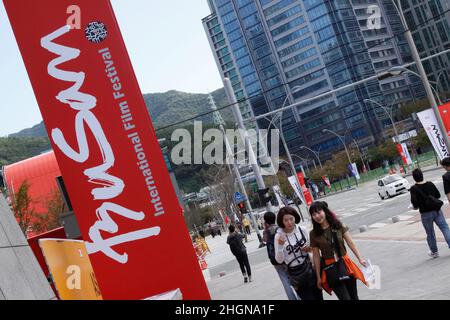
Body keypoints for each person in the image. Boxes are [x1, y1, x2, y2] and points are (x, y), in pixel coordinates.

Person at [309, 201, 367, 300]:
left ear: (325, 211)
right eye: (314, 214)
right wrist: (318, 276)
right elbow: (316, 256)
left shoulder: (338, 225)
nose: (317, 216)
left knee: (354, 297)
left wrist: (360, 259)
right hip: (330, 269)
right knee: (345, 298)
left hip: (346, 264)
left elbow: (350, 242)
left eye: (319, 212)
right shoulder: (314, 233)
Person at [275, 207, 323, 300]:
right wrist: (280, 246)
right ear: (282, 221)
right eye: (286, 220)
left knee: (319, 298)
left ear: (295, 218)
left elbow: (313, 249)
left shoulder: (302, 229)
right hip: (295, 275)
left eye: (291, 219)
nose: (289, 222)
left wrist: (308, 248)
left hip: (310, 270)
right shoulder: (279, 236)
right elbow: (279, 260)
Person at [410, 168, 450, 258]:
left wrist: (414, 206)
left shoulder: (413, 189)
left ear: (414, 178)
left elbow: (415, 204)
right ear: (422, 175)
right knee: (444, 227)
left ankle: (434, 251)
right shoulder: (430, 184)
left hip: (425, 213)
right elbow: (438, 195)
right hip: (437, 210)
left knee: (430, 232)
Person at [263, 211, 298, 300]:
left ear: (266, 221)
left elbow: (264, 241)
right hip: (284, 255)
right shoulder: (280, 229)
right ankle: (299, 296)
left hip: (275, 259)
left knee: (284, 280)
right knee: (293, 278)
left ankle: (292, 298)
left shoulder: (266, 232)